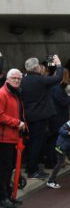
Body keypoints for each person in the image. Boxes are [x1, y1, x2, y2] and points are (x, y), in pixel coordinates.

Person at [21, 55, 63, 179]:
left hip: (27, 116)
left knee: (30, 143)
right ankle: (33, 170)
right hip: (39, 116)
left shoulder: (23, 80)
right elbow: (58, 77)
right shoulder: (40, 80)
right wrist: (59, 65)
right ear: (36, 68)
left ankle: (30, 166)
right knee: (37, 143)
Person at [0, 69, 27, 208]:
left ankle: (8, 196)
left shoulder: (15, 93)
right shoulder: (2, 93)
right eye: (14, 78)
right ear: (8, 79)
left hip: (13, 137)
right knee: (4, 169)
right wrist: (17, 123)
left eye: (18, 78)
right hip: (4, 139)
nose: (17, 80)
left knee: (9, 168)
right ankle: (3, 198)